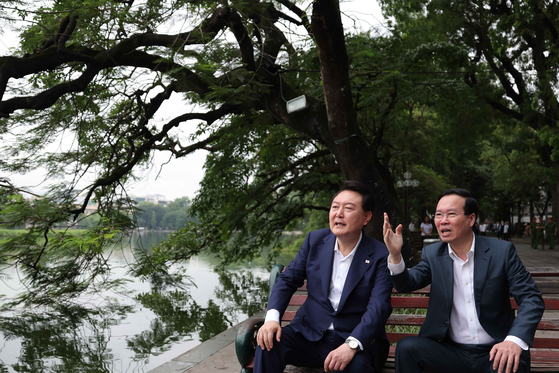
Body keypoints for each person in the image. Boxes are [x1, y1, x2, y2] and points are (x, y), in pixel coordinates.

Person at [383, 188, 544, 373]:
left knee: (509, 365)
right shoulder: (433, 254)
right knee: (407, 348)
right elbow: (406, 284)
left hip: (496, 350)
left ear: (471, 219)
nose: (443, 220)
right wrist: (395, 255)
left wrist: (513, 340)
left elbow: (531, 299)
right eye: (438, 215)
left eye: (451, 214)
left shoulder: (501, 252)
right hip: (451, 352)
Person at [254, 180, 393, 373]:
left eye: (348, 208)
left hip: (354, 339)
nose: (339, 213)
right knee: (268, 344)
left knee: (358, 368)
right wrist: (271, 319)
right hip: (308, 335)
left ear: (366, 217)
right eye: (335, 207)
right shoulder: (315, 241)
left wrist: (351, 345)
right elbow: (287, 280)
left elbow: (379, 307)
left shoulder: (380, 254)